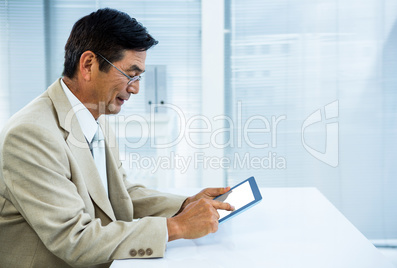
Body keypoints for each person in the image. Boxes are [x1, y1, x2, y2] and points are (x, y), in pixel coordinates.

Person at [0, 8, 234, 268]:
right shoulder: (31, 135)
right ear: (88, 65)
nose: (135, 88)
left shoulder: (94, 116)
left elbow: (119, 193)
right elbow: (74, 239)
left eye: (139, 77)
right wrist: (175, 227)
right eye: (129, 74)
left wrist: (185, 205)